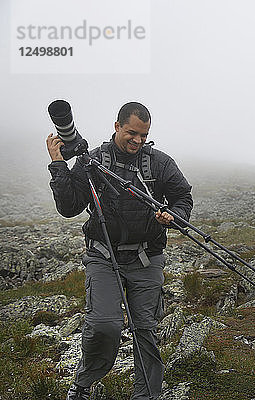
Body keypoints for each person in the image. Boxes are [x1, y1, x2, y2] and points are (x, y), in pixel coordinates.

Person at [46, 102, 193, 400]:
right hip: (103, 256)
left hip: (146, 257)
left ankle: (146, 395)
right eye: (132, 133)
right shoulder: (93, 161)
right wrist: (59, 164)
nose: (138, 140)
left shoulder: (160, 163)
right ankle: (84, 383)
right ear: (117, 126)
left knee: (146, 331)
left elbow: (182, 197)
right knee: (104, 325)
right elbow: (69, 207)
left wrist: (174, 216)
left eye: (144, 135)